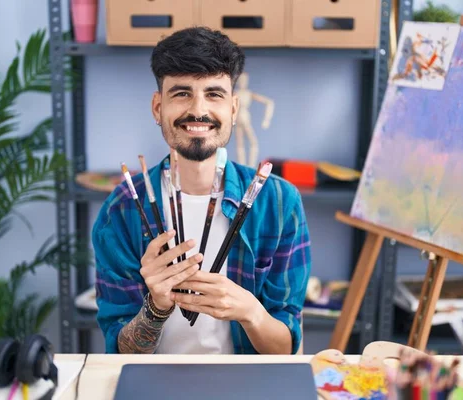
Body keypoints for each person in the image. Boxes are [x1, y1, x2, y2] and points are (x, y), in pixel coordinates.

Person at [92, 26, 311, 355]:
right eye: (181, 93)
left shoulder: (278, 203)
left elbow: (284, 350)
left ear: (234, 109)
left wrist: (249, 311)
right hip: (152, 385)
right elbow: (120, 352)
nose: (198, 110)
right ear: (157, 107)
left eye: (214, 94)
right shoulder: (121, 209)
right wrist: (156, 307)